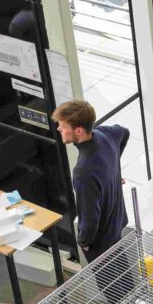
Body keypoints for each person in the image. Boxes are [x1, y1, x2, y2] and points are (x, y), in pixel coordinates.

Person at [53, 99, 130, 266]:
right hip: (117, 222)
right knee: (124, 279)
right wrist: (114, 171)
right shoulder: (104, 134)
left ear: (78, 131)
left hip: (101, 242)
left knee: (112, 290)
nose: (59, 129)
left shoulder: (83, 172)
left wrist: (84, 242)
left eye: (63, 126)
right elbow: (124, 133)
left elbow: (89, 219)